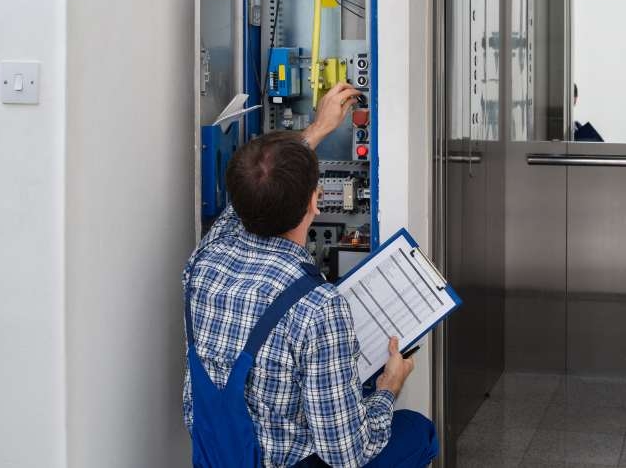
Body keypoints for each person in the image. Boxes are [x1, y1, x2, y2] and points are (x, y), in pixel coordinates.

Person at [183, 82, 438, 468]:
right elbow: (345, 454)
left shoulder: (204, 259)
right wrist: (389, 387)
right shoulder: (317, 307)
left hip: (218, 456)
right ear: (316, 201)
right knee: (418, 431)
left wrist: (318, 129)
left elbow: (242, 203)